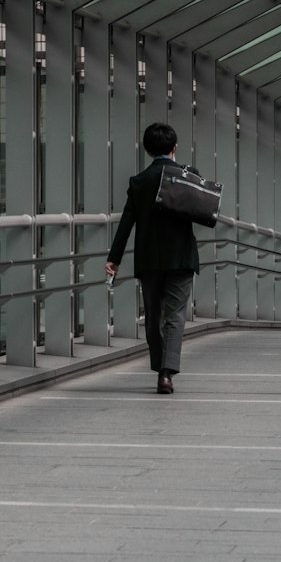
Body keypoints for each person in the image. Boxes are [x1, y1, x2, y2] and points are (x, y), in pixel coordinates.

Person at [105, 122, 200, 395]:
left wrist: (115, 258)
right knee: (175, 316)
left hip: (149, 260)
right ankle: (167, 373)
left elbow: (126, 222)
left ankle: (160, 366)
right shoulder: (188, 175)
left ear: (147, 149)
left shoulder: (139, 182)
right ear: (174, 148)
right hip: (181, 257)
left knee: (153, 316)